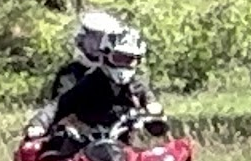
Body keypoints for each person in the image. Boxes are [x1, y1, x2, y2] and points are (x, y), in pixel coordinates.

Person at [24, 9, 166, 146]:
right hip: (86, 143)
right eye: (94, 38)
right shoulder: (78, 77)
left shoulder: (134, 84)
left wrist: (152, 110)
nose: (96, 45)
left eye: (129, 60)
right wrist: (40, 123)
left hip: (124, 142)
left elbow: (148, 99)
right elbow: (61, 104)